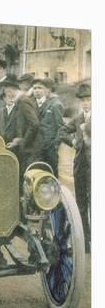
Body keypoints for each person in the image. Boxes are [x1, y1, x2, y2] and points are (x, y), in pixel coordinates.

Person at [59, 83, 91, 252]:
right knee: (81, 204)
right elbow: (61, 131)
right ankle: (85, 242)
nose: (86, 103)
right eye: (83, 100)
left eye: (89, 99)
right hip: (80, 166)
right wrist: (72, 142)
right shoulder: (78, 119)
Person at [0, 75, 43, 177]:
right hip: (24, 148)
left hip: (30, 149)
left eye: (7, 91)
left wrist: (22, 141)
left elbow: (34, 124)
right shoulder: (18, 101)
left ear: (12, 89)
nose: (7, 94)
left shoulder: (23, 101)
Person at [32, 78, 64, 176]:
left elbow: (60, 127)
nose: (37, 91)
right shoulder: (32, 105)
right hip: (36, 147)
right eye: (34, 88)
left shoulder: (55, 104)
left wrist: (55, 145)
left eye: (40, 88)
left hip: (49, 148)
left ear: (47, 90)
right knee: (36, 174)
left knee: (51, 174)